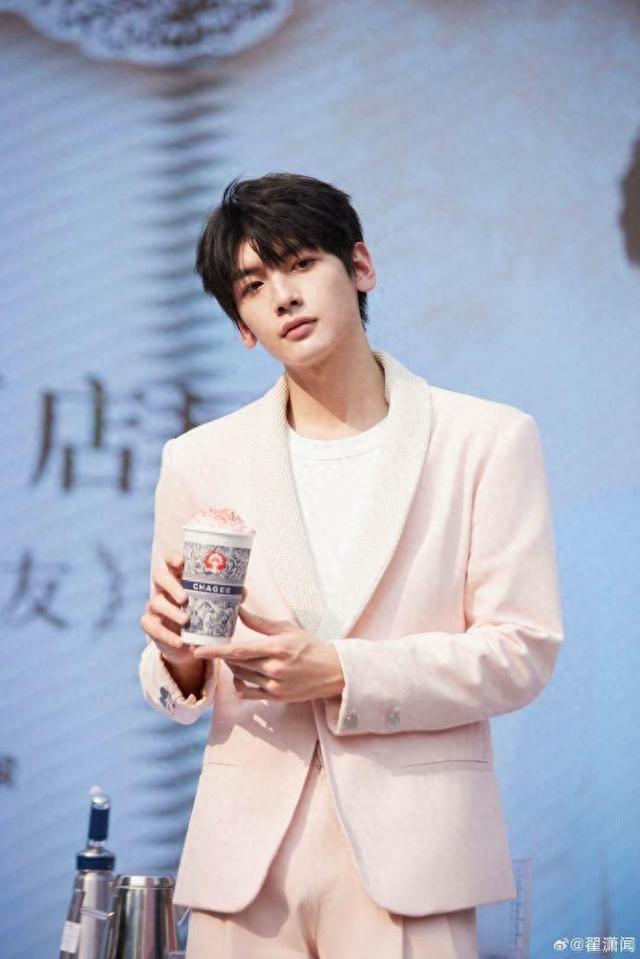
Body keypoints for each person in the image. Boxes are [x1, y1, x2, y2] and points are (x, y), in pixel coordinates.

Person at [138, 172, 564, 958]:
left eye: (301, 264)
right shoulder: (199, 459)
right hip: (243, 864)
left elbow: (521, 651)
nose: (283, 297)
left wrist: (341, 671)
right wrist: (176, 657)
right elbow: (180, 680)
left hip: (415, 855)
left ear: (360, 266)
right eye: (253, 285)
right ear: (241, 326)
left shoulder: (486, 440)